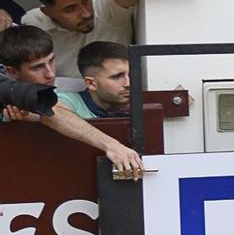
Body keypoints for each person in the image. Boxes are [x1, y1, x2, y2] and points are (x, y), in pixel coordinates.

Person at [0, 25, 145, 172]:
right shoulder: (8, 98)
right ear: (12, 72)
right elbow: (52, 110)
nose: (50, 73)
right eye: (37, 67)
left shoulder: (72, 87)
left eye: (51, 61)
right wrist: (113, 146)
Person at [59, 40, 133, 118]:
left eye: (131, 75)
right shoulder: (68, 102)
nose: (128, 84)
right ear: (91, 83)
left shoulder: (137, 104)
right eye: (117, 77)